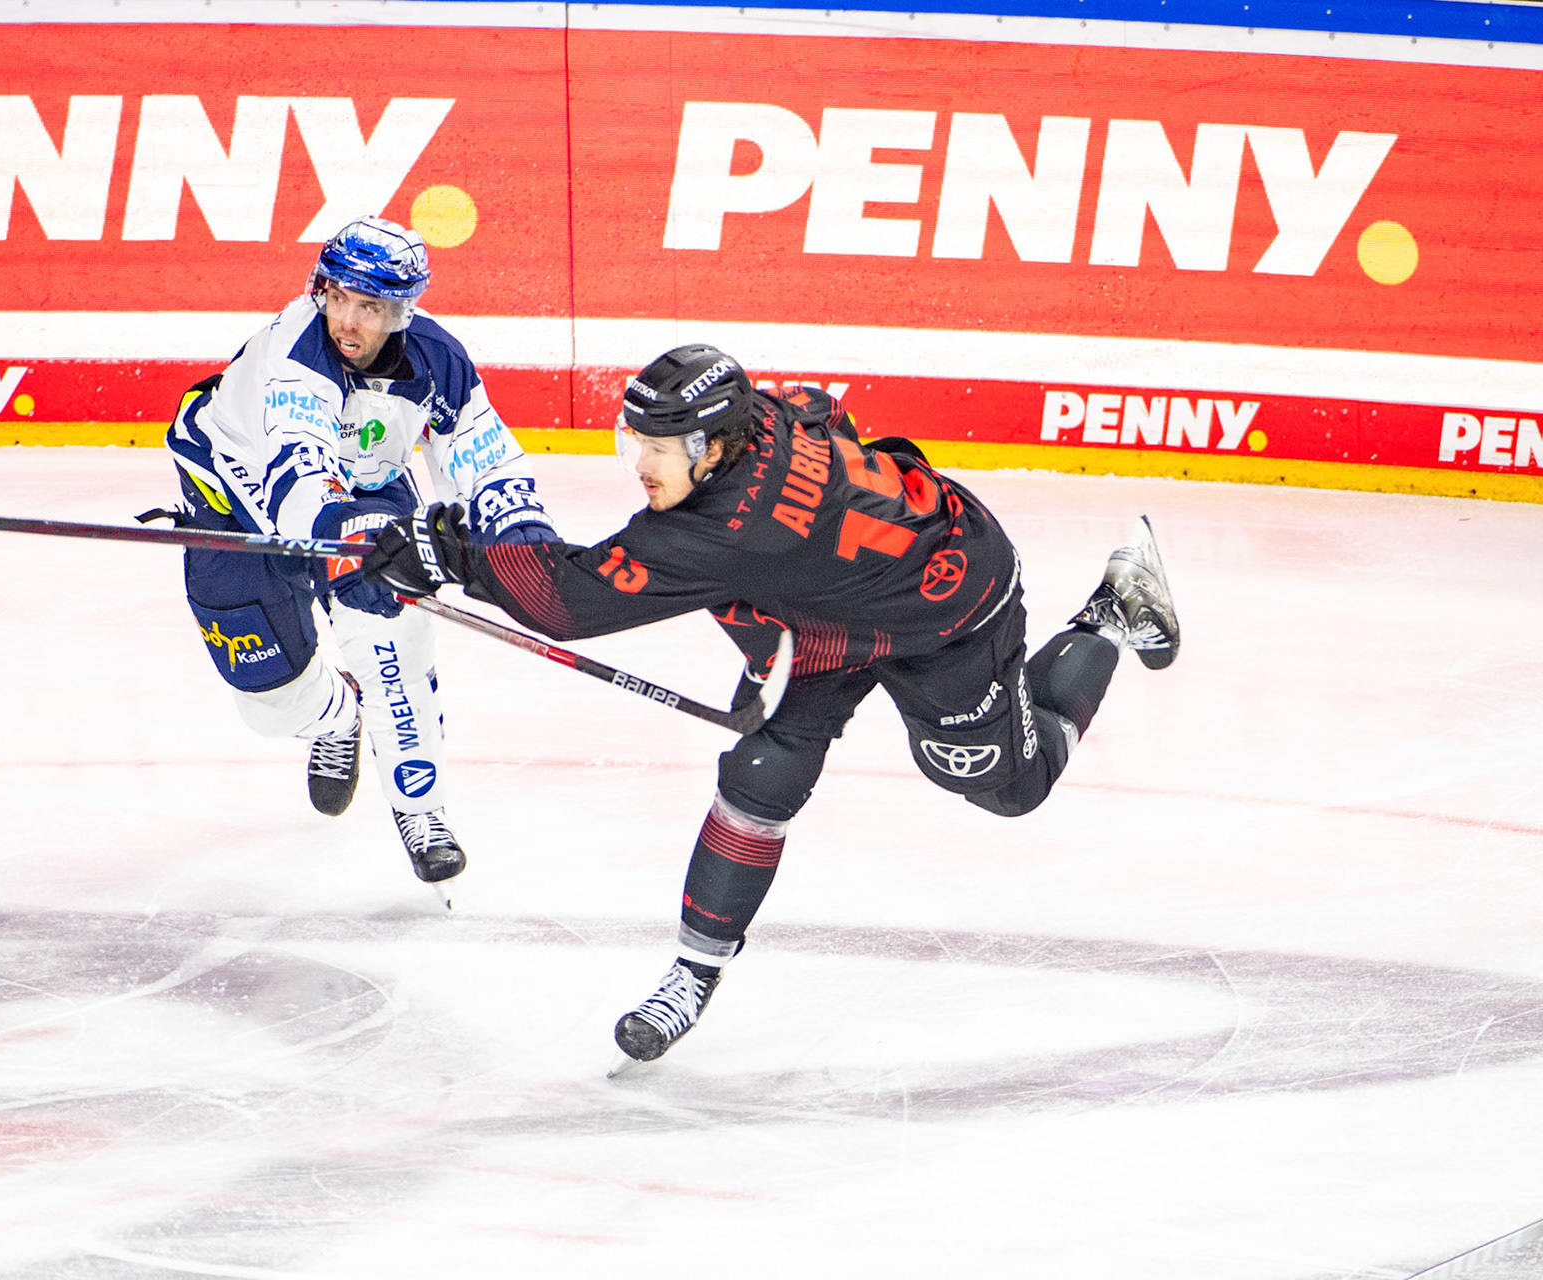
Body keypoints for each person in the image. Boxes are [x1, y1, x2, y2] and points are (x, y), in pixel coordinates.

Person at [361, 343, 1179, 1058]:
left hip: (949, 607)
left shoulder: (721, 531)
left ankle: (1112, 613)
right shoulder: (763, 415)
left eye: (660, 448)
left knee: (1007, 789)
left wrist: (448, 556)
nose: (641, 464)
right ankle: (690, 977)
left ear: (713, 446)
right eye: (634, 442)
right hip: (825, 620)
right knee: (759, 778)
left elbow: (568, 603)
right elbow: (840, 422)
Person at [159, 215, 558, 886]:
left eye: (369, 306)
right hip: (234, 504)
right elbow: (298, 475)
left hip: (364, 491)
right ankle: (333, 714)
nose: (347, 319)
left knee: (395, 637)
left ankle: (421, 808)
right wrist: (357, 541)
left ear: (401, 311)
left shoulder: (439, 361)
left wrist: (521, 539)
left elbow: (486, 461)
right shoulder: (293, 355)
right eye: (337, 296)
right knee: (267, 702)